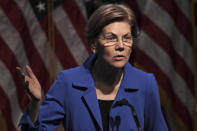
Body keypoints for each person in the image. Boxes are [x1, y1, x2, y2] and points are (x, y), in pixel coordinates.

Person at [17, 3, 168, 131]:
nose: (121, 46)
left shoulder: (145, 84)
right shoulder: (68, 82)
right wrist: (36, 103)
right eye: (111, 38)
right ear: (94, 45)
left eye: (127, 38)